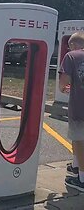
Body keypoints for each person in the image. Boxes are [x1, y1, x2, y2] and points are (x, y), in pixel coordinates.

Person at [59, 31, 84, 191]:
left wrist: (64, 88)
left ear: (73, 45)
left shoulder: (71, 56)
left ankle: (82, 179)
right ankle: (76, 166)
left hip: (80, 107)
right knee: (77, 139)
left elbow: (64, 83)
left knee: (80, 140)